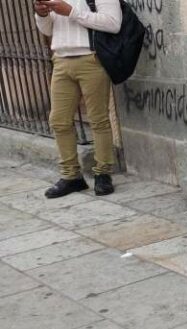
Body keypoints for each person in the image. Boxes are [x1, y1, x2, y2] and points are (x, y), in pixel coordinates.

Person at [34, 0, 121, 198]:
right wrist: (42, 14)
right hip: (61, 60)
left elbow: (113, 23)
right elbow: (47, 30)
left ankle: (103, 174)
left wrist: (72, 12)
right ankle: (71, 176)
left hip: (92, 59)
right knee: (59, 121)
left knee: (98, 119)